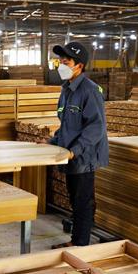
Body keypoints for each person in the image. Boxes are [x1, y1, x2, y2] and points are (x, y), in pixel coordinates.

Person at [49, 41, 109, 248]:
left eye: (66, 62)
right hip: (71, 155)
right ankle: (78, 238)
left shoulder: (90, 91)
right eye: (60, 61)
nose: (61, 65)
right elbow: (66, 124)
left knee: (82, 201)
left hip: (85, 156)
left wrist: (75, 151)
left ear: (79, 66)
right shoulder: (67, 89)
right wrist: (51, 142)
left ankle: (80, 244)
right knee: (75, 198)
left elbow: (96, 127)